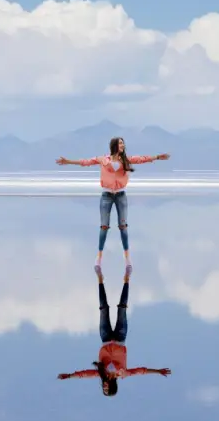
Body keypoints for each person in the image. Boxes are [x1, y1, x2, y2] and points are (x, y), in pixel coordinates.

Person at [56, 265, 171, 396]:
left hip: (105, 338)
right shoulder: (123, 373)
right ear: (112, 386)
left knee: (103, 308)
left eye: (103, 389)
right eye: (106, 389)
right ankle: (127, 279)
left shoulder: (101, 373)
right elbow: (141, 371)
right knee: (122, 308)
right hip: (120, 338)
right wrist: (158, 371)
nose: (104, 387)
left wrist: (70, 376)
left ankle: (100, 279)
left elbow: (85, 374)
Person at [56, 137, 170, 268]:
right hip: (106, 196)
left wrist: (156, 157)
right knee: (104, 227)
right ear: (115, 145)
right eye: (120, 143)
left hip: (121, 195)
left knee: (123, 227)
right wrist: (68, 161)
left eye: (123, 143)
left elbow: (142, 159)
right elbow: (85, 162)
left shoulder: (126, 160)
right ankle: (99, 257)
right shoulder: (103, 159)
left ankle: (127, 258)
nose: (123, 145)